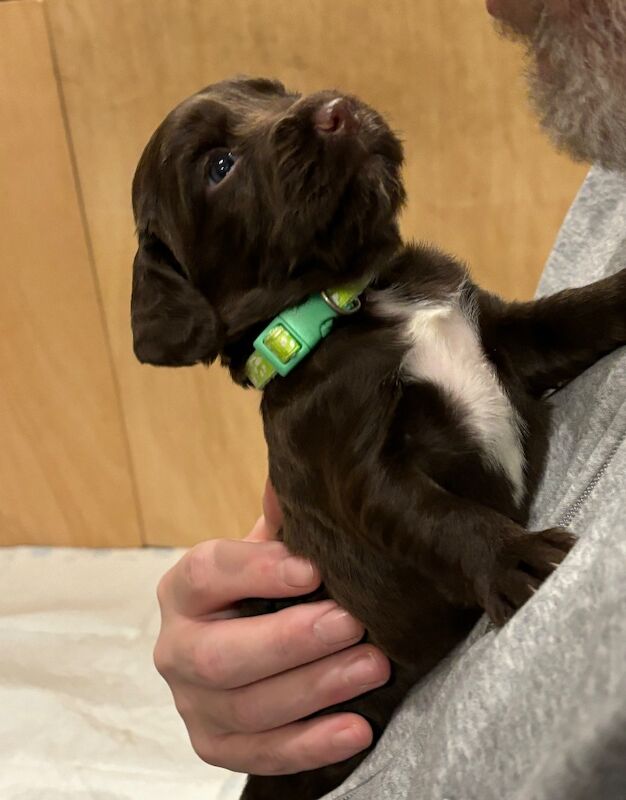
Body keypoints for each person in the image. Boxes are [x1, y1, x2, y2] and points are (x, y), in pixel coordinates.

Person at [153, 2, 626, 797]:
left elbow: (524, 349)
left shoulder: (412, 288)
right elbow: (390, 482)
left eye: (280, 96)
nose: (316, 111)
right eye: (222, 165)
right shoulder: (327, 378)